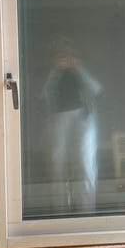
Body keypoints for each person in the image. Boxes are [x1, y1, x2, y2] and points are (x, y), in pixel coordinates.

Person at [42, 36, 102, 214]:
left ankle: (86, 211)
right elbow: (41, 95)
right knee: (57, 165)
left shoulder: (81, 70)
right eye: (60, 53)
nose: (65, 57)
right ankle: (60, 211)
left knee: (84, 163)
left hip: (83, 118)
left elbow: (97, 90)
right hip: (57, 118)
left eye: (68, 53)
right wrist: (54, 70)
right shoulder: (49, 73)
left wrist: (79, 68)